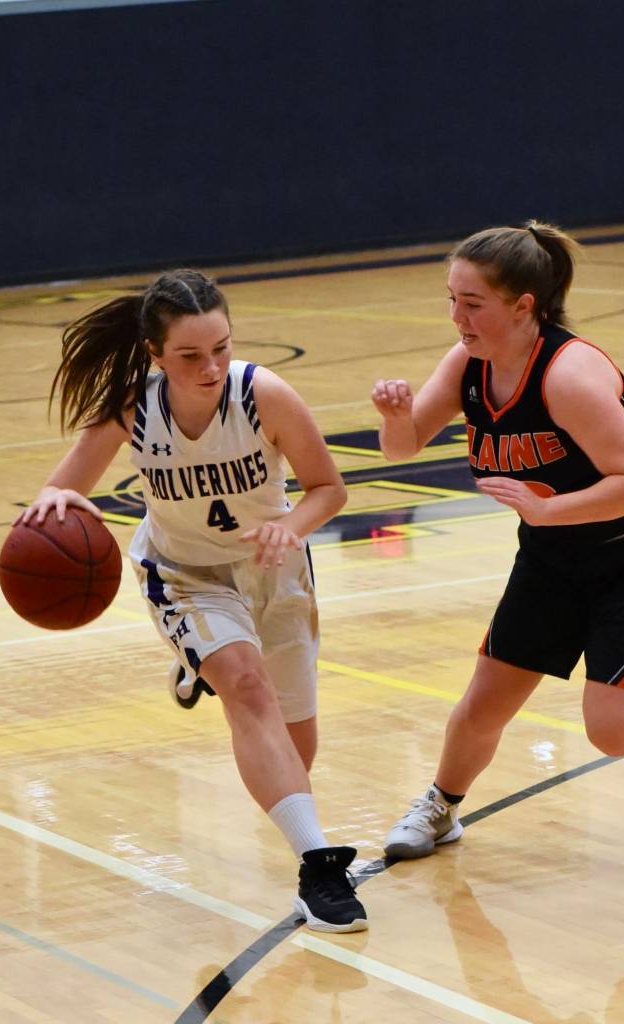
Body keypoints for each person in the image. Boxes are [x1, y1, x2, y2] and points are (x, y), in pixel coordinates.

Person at [20, 269, 367, 931]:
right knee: (247, 687)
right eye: (189, 356)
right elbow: (58, 491)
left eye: (221, 349)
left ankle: (196, 665)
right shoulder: (134, 407)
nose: (210, 368)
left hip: (275, 571)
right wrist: (60, 501)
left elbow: (329, 489)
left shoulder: (264, 394)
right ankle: (320, 869)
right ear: (155, 356)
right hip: (184, 574)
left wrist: (286, 528)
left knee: (297, 746)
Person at [372, 222, 624, 859]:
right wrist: (396, 418)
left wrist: (551, 508)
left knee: (614, 732)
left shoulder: (567, 376)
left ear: (523, 306)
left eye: (472, 303)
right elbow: (403, 447)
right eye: (451, 299)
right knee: (485, 698)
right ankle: (441, 808)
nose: (457, 316)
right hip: (555, 547)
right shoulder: (468, 365)